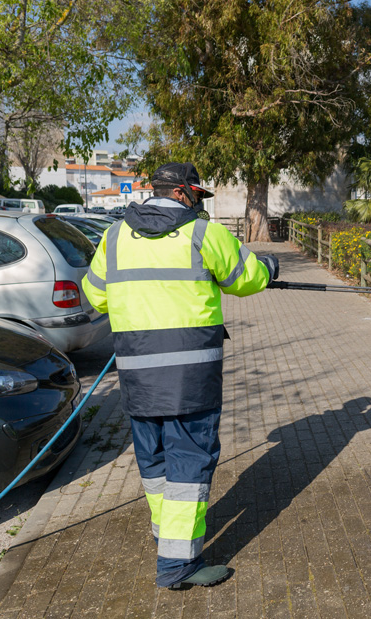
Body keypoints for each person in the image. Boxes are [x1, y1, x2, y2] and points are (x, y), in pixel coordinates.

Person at [82, 162, 279, 590]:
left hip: (135, 375)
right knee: (190, 463)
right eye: (195, 196)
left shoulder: (114, 236)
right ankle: (177, 566)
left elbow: (94, 294)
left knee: (153, 461)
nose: (196, 204)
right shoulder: (203, 234)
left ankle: (165, 533)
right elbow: (245, 279)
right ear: (182, 193)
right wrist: (270, 269)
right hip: (190, 377)